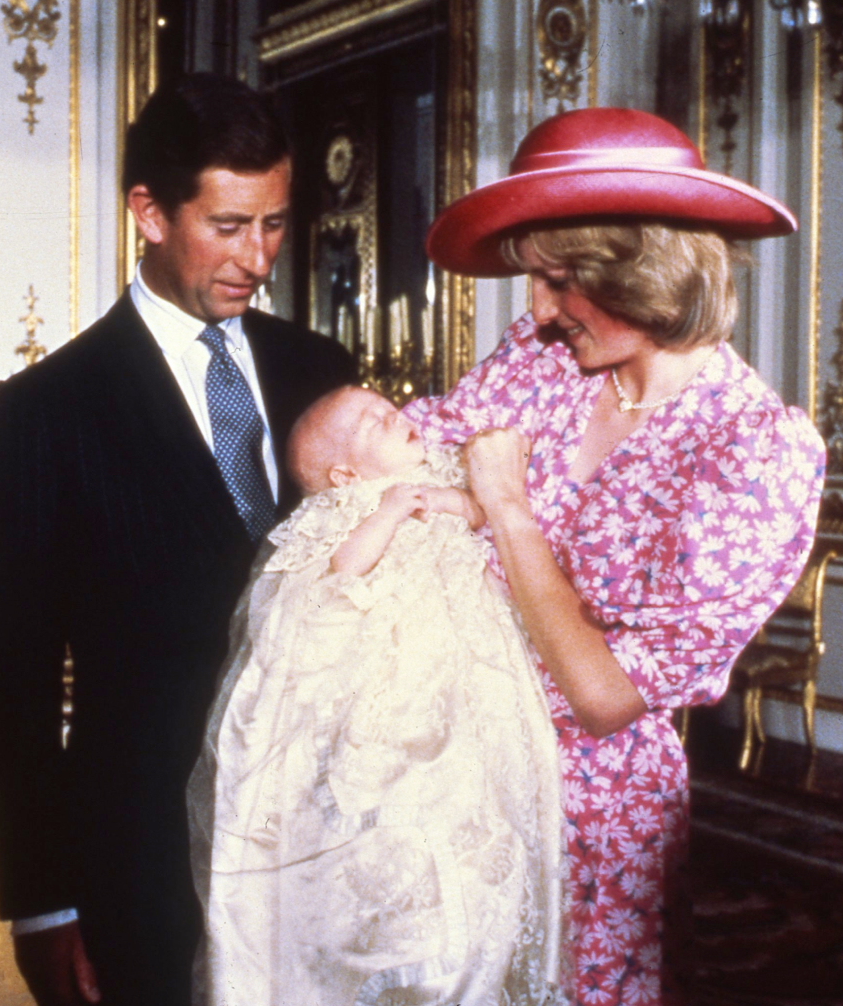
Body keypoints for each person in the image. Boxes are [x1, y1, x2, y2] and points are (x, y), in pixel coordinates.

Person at [409, 107, 826, 1006]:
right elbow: (408, 452)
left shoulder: (753, 451)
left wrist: (506, 512)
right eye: (535, 280)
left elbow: (603, 696)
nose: (540, 309)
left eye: (561, 281)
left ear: (650, 271)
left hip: (590, 817)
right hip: (450, 768)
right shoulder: (545, 358)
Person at [0, 73, 357, 1006]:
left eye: (272, 223)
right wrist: (43, 908)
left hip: (324, 837)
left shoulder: (321, 369)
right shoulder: (43, 414)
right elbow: (17, 686)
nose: (257, 256)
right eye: (228, 226)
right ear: (148, 212)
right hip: (142, 858)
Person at [188, 386, 566, 1005]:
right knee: (385, 797)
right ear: (344, 473)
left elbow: (479, 514)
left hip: (462, 658)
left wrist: (447, 500)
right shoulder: (344, 509)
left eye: (390, 407)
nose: (397, 417)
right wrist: (386, 513)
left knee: (476, 790)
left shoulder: (437, 471)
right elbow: (343, 570)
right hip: (385, 670)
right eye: (375, 422)